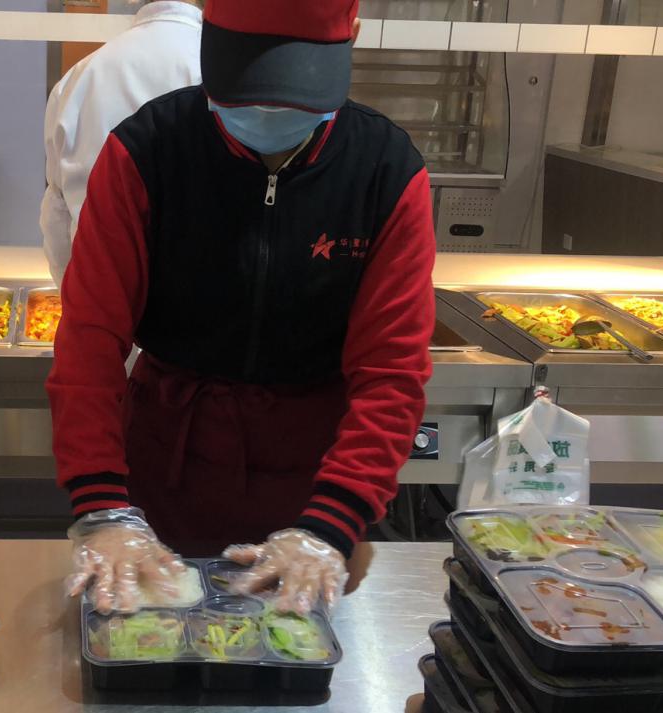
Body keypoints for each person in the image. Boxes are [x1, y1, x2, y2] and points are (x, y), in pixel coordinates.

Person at [50, 0, 435, 616]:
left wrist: (334, 522)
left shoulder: (385, 170)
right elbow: (90, 339)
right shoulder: (146, 151)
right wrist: (104, 508)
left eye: (296, 91)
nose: (268, 112)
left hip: (319, 474)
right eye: (248, 84)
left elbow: (391, 370)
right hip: (166, 465)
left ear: (352, 36)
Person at [40, 0, 203, 286]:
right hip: (195, 293)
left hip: (99, 289)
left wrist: (76, 295)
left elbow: (57, 215)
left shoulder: (78, 77)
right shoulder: (221, 73)